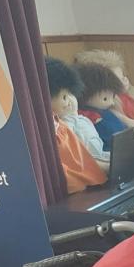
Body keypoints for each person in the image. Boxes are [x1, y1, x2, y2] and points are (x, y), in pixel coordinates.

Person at [44, 57, 106, 194]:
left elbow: (84, 160)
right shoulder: (56, 127)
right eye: (64, 97)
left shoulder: (61, 124)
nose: (69, 102)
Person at [74, 61, 133, 151]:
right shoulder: (86, 117)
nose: (111, 102)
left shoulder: (107, 112)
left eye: (113, 97)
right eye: (105, 99)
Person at [74, 48, 134, 122]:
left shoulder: (129, 95)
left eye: (123, 76)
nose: (125, 79)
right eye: (119, 79)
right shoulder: (109, 104)